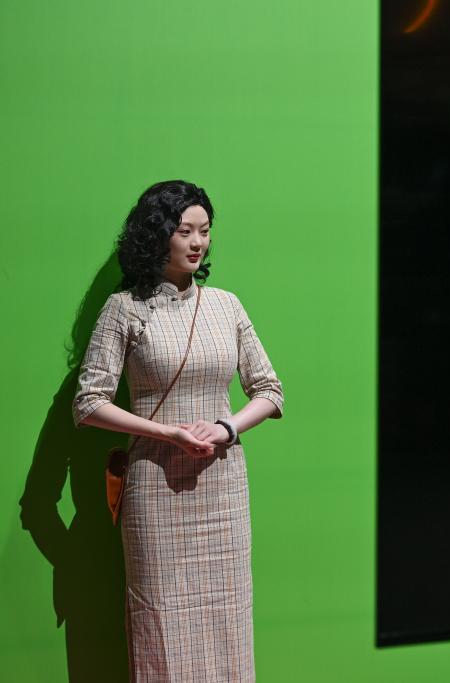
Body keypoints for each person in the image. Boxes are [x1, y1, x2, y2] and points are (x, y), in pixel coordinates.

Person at [73, 180, 283, 680]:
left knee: (229, 615)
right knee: (160, 617)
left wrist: (226, 427)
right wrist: (168, 434)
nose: (197, 242)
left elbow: (270, 392)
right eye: (185, 231)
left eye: (204, 231)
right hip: (155, 487)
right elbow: (88, 403)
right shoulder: (125, 309)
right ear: (157, 234)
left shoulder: (226, 306)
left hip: (223, 488)